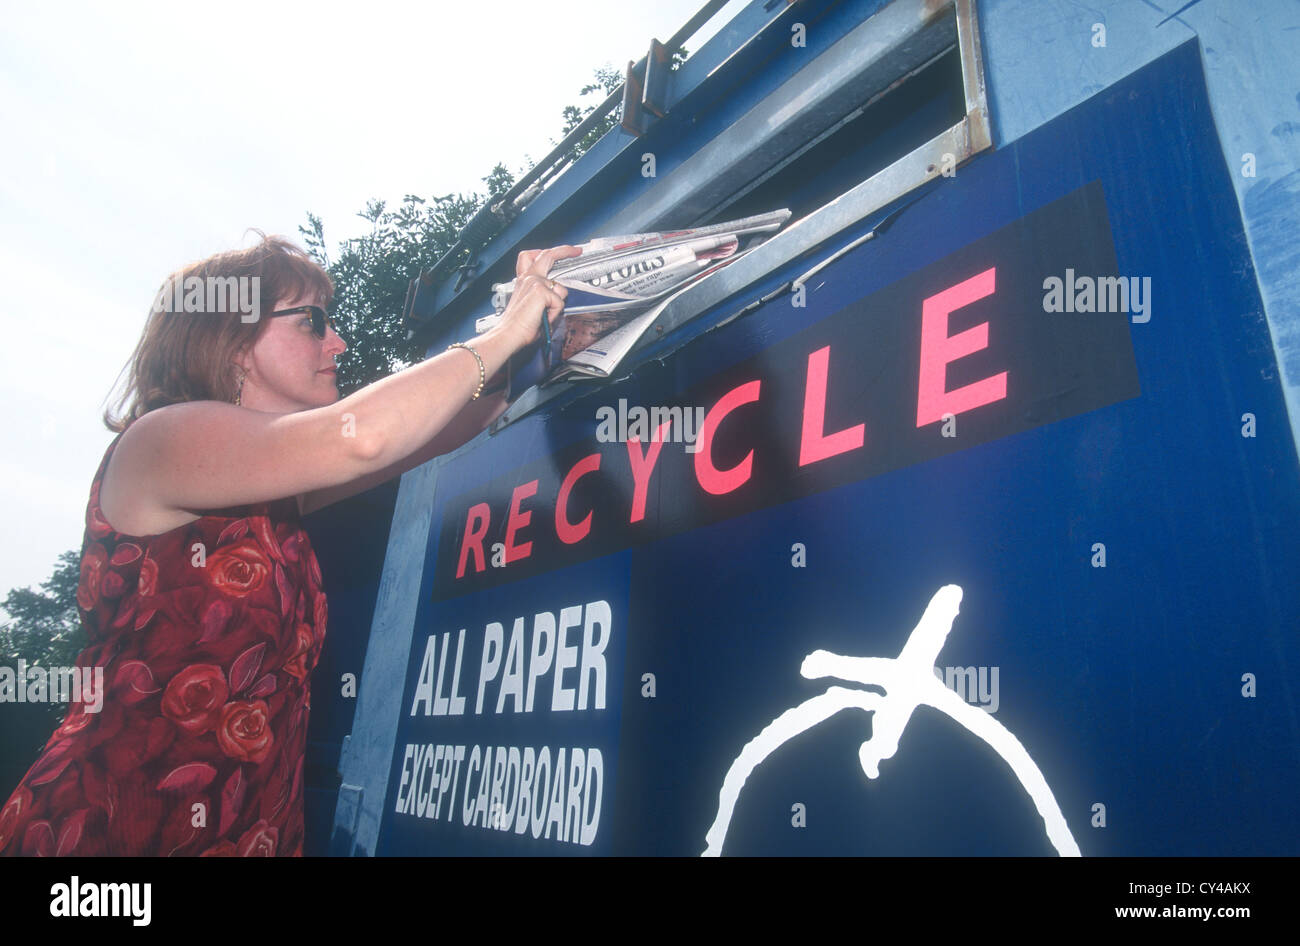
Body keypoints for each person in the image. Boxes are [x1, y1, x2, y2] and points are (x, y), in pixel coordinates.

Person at [0, 234, 578, 856]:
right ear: (233, 339)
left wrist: (556, 339)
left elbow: (434, 432)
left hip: (243, 830)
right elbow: (364, 438)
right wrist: (506, 329)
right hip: (112, 832)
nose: (338, 342)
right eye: (313, 321)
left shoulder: (275, 496)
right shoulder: (161, 440)